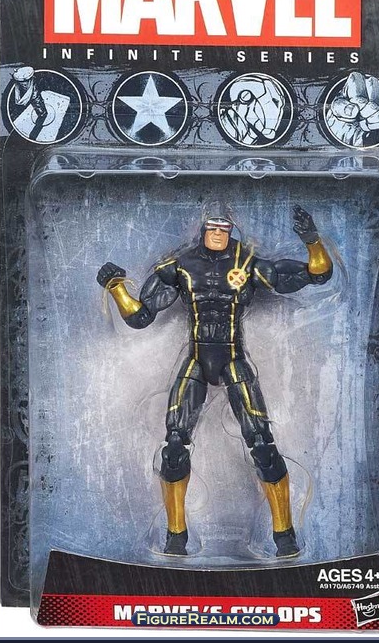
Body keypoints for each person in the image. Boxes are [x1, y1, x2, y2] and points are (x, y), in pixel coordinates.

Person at [97, 206, 333, 557]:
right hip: (197, 359)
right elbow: (141, 316)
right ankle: (175, 538)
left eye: (224, 228)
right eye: (213, 227)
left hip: (233, 359)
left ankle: (285, 537)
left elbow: (317, 275)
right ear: (204, 229)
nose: (219, 233)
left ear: (231, 230)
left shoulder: (248, 262)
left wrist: (312, 240)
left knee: (262, 445)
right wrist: (116, 288)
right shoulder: (181, 265)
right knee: (173, 448)